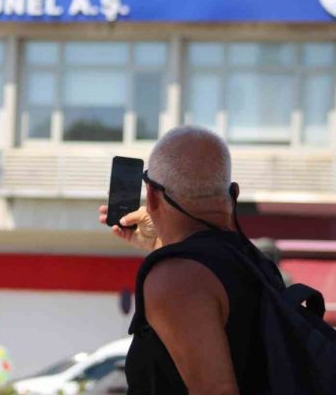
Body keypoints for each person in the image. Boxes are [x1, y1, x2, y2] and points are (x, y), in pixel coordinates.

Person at [98, 125, 265, 395]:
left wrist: (171, 264)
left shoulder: (177, 279)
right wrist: (160, 244)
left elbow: (217, 391)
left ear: (152, 196)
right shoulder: (253, 262)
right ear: (233, 193)